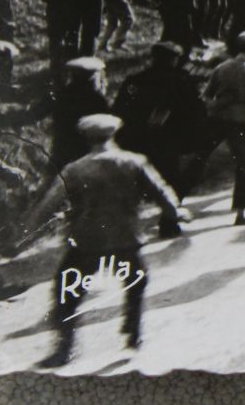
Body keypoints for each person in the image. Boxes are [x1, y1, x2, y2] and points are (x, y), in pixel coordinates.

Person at [30, 114, 189, 368]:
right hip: (126, 237)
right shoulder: (133, 162)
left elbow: (49, 205)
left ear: (86, 137)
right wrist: (176, 212)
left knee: (67, 292)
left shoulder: (74, 169)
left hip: (87, 240)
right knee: (136, 282)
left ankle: (64, 348)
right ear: (113, 135)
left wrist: (30, 228)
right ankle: (134, 333)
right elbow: (160, 191)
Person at [113, 42, 209, 238]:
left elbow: (120, 109)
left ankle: (124, 226)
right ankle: (168, 224)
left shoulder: (135, 80)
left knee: (135, 182)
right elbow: (195, 110)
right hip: (169, 142)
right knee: (170, 180)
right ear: (174, 58)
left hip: (138, 140)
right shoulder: (182, 80)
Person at [197, 30, 245, 226]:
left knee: (199, 157)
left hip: (217, 119)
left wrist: (218, 105)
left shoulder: (222, 67)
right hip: (241, 122)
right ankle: (242, 212)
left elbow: (206, 95)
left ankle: (175, 200)